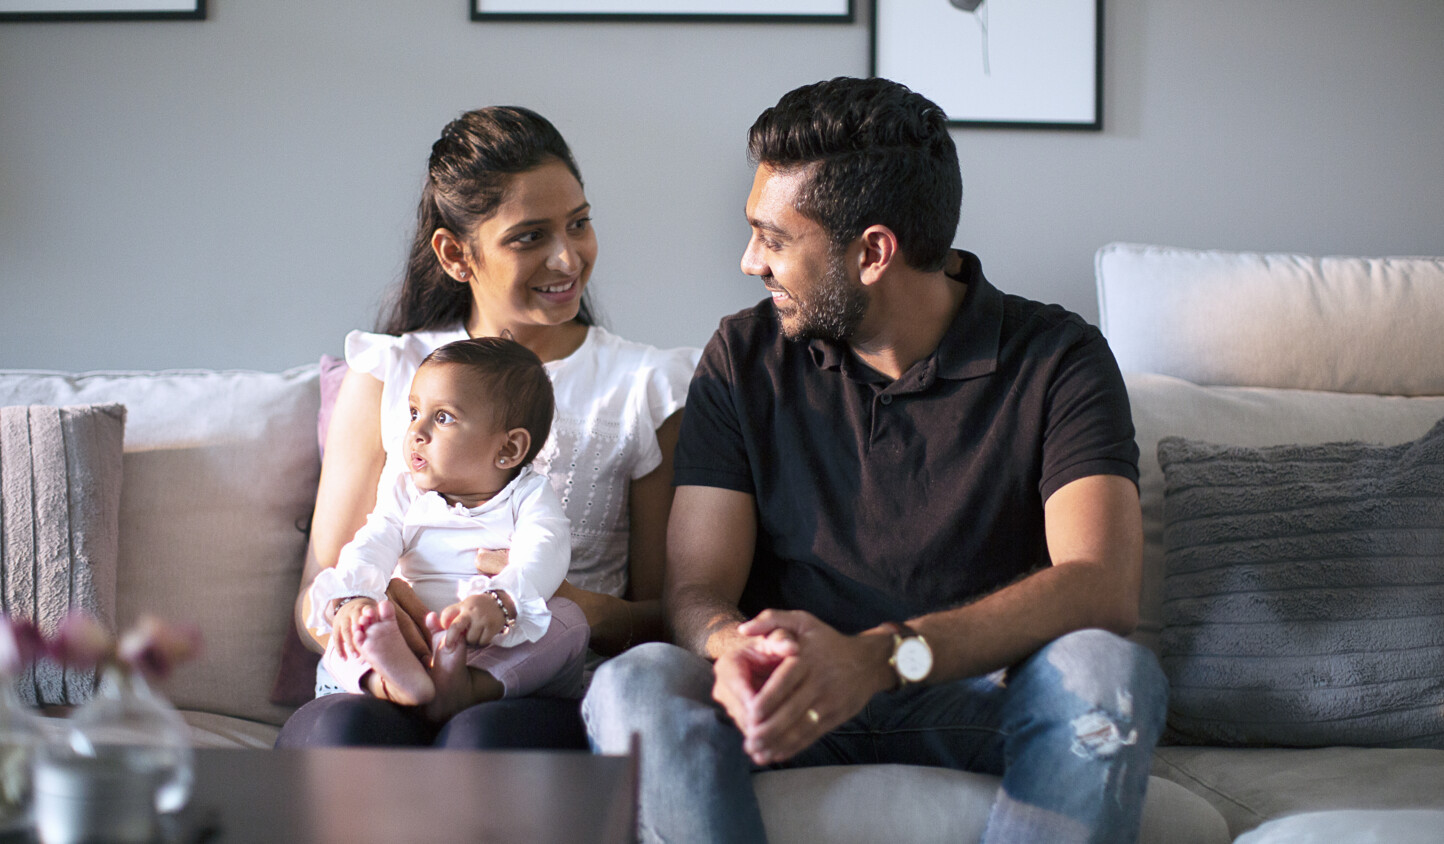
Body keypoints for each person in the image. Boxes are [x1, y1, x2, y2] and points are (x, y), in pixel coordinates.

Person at [582, 77, 1168, 844]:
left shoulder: (1059, 358)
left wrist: (878, 659)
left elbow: (1101, 586)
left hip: (973, 697)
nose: (749, 260)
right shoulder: (743, 354)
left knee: (1107, 673)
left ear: (873, 252)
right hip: (785, 701)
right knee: (636, 683)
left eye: (775, 237)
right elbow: (696, 587)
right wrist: (732, 649)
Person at [277, 106, 696, 749]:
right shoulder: (390, 373)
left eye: (578, 225)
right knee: (344, 732)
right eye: (529, 237)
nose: (567, 258)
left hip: (532, 682)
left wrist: (548, 605)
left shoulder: (647, 386)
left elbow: (668, 618)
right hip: (392, 660)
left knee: (481, 739)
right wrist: (366, 617)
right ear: (454, 253)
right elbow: (318, 593)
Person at [307, 337, 588, 722]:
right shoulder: (406, 491)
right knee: (342, 618)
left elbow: (545, 548)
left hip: (490, 637)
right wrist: (355, 595)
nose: (416, 432)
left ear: (508, 449)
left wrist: (502, 601)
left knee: (568, 619)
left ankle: (468, 685)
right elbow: (374, 541)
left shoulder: (529, 496)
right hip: (409, 636)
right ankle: (387, 681)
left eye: (443, 418)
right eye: (413, 412)